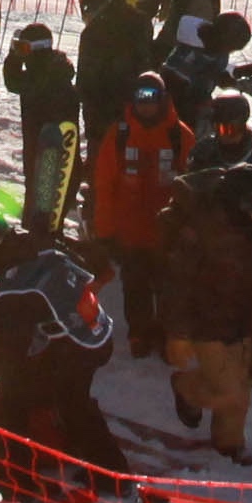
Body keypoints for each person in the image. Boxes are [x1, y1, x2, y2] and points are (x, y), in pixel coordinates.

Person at [0, 212, 127, 503]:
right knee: (71, 399)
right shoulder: (39, 242)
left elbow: (7, 357)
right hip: (95, 332)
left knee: (7, 401)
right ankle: (110, 471)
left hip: (75, 347)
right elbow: (95, 266)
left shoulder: (13, 291)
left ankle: (16, 481)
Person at [152, 151, 252, 460]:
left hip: (246, 319)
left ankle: (229, 444)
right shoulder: (201, 230)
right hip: (206, 323)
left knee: (240, 390)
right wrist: (178, 334)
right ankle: (184, 386)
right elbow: (177, 285)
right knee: (230, 391)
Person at [85, 71, 189, 356]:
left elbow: (194, 185)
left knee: (169, 287)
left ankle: (168, 337)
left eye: (152, 98)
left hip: (168, 233)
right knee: (135, 285)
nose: (146, 105)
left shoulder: (179, 135)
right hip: (130, 231)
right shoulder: (118, 134)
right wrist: (105, 232)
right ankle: (140, 335)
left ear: (163, 99)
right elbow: (103, 185)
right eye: (140, 98)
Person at [5, 21, 80, 224]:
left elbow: (13, 81)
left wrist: (14, 57)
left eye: (24, 49)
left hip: (49, 158)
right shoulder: (52, 72)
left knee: (41, 216)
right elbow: (13, 81)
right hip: (42, 155)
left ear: (36, 49)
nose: (21, 53)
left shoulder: (42, 80)